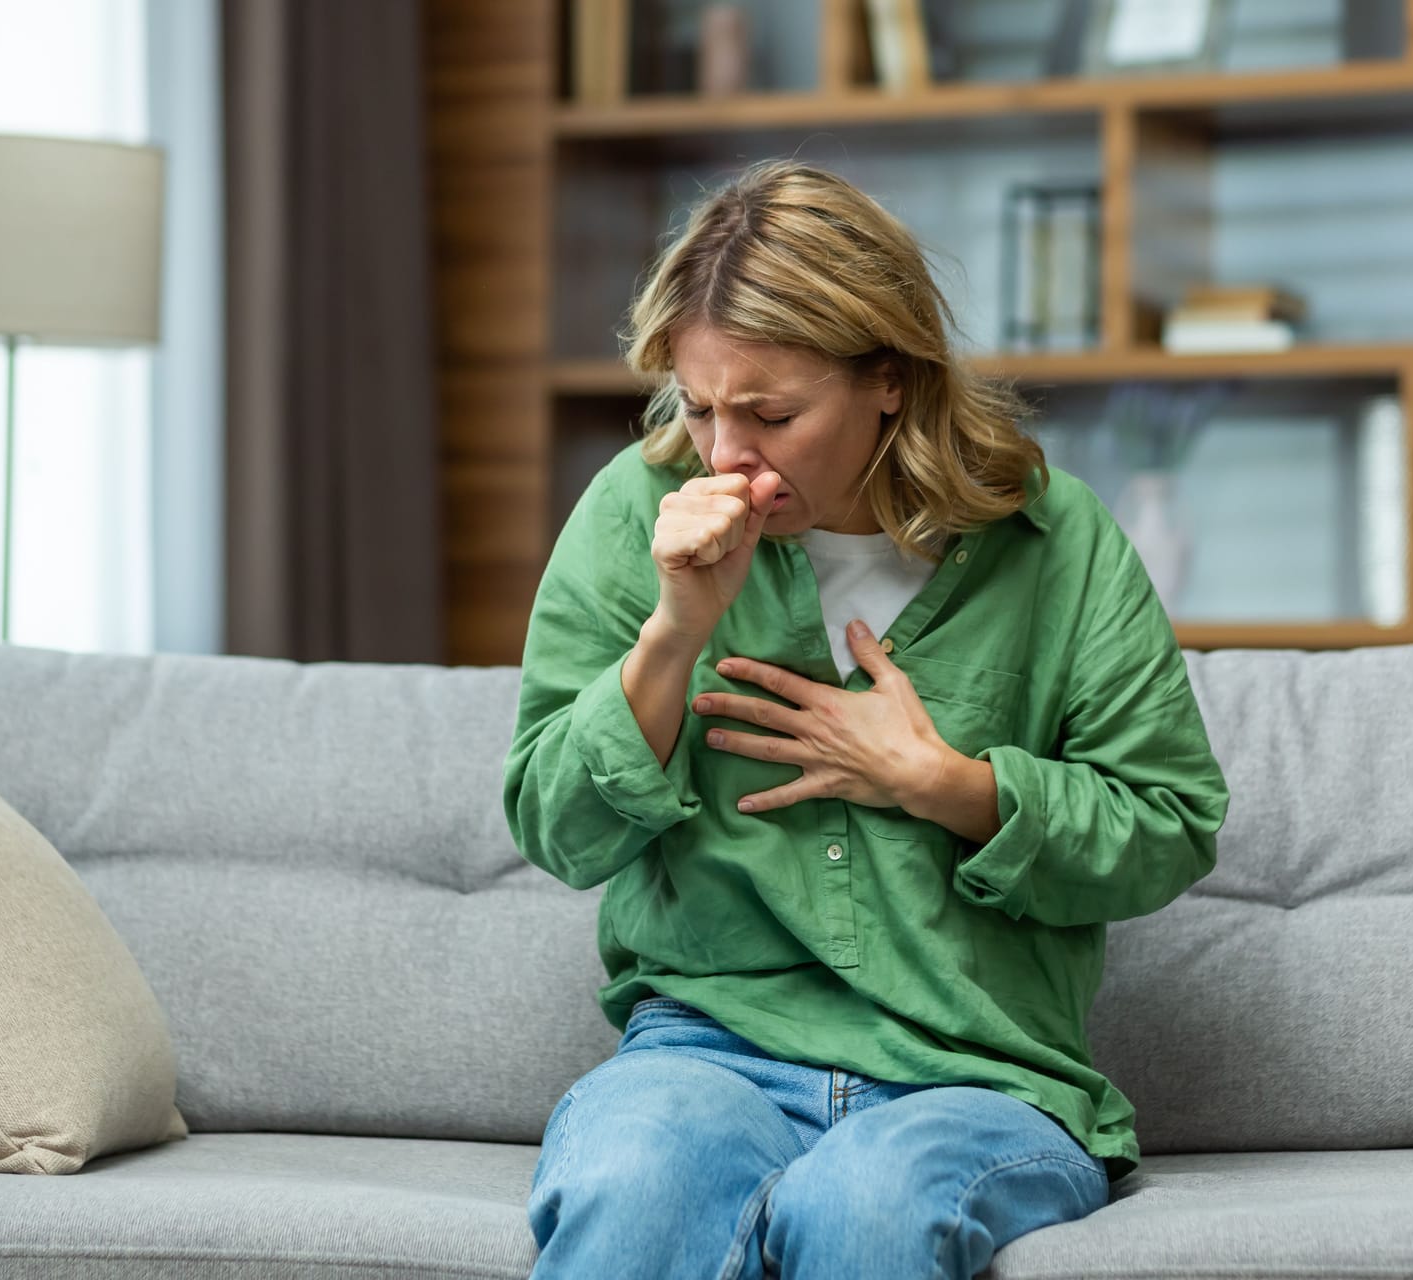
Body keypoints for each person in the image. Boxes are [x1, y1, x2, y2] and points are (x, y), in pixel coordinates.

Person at [502, 160, 1229, 1280]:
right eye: (699, 407)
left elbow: (1170, 823)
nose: (726, 454)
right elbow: (557, 827)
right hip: (708, 1051)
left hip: (976, 1074)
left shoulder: (1058, 543)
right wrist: (674, 631)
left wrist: (947, 784)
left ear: (888, 378)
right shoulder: (631, 513)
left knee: (866, 1204)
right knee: (632, 1183)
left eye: (772, 412)